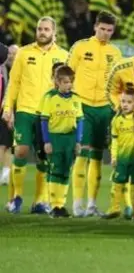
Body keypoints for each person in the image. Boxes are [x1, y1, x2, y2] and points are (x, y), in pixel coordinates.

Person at [3, 17, 69, 214]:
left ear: (54, 33)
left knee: (44, 157)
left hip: (48, 113)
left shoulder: (63, 56)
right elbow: (14, 82)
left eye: (46, 29)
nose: (42, 32)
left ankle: (39, 201)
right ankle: (16, 198)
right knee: (21, 151)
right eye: (40, 29)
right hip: (25, 110)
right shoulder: (23, 53)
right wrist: (8, 108)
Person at [67, 10, 122, 217]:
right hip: (83, 106)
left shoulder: (115, 53)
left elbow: (117, 81)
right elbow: (67, 73)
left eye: (109, 30)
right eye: (102, 29)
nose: (106, 33)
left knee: (98, 156)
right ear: (95, 27)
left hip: (104, 108)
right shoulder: (80, 47)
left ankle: (91, 204)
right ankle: (77, 204)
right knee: (82, 153)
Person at [40, 65, 83, 218]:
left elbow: (80, 120)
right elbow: (44, 120)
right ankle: (54, 205)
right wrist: (47, 141)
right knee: (55, 170)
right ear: (57, 82)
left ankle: (62, 204)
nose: (68, 85)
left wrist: (78, 141)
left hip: (70, 138)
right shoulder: (49, 97)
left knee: (66, 170)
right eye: (65, 82)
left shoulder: (76, 98)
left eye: (70, 82)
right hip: (55, 137)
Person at [103, 89, 134, 220]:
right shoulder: (116, 120)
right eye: (123, 101)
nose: (125, 105)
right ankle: (114, 208)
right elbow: (114, 140)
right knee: (117, 182)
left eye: (129, 102)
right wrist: (113, 157)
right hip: (122, 158)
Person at [0, 44, 18, 185]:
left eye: (14, 53)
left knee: (9, 144)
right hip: (4, 110)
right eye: (10, 53)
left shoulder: (21, 70)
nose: (11, 55)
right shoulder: (3, 69)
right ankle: (5, 173)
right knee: (2, 144)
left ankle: (6, 173)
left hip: (17, 110)